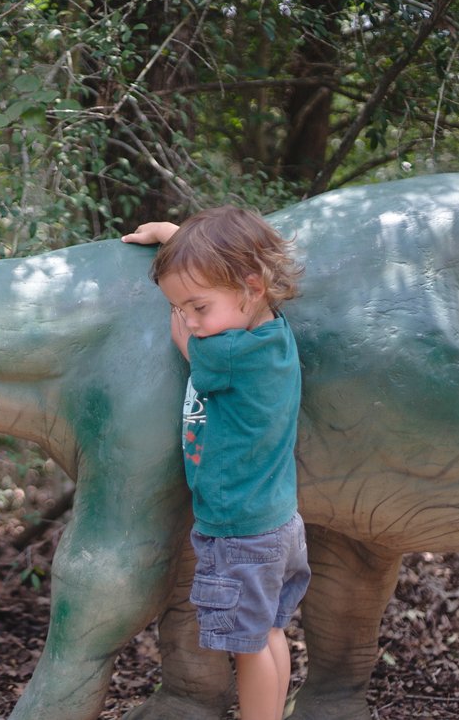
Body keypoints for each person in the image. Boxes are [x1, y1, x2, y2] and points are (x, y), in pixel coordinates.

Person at [123, 206, 309, 720]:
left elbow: (184, 341)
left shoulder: (224, 352)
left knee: (247, 647)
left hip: (239, 533)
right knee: (268, 634)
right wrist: (173, 237)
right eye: (180, 308)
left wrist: (183, 315)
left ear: (252, 287)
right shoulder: (270, 334)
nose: (189, 320)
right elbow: (218, 269)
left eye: (197, 306)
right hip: (276, 524)